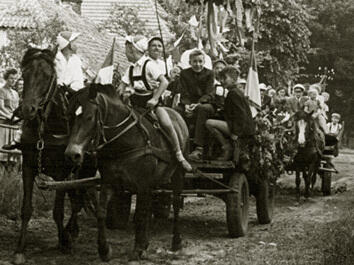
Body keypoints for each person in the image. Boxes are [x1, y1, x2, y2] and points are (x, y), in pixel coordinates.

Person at [118, 35, 192, 172]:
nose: (126, 52)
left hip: (151, 104)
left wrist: (154, 99)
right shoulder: (130, 69)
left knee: (167, 123)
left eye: (127, 49)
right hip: (134, 105)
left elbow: (164, 82)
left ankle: (179, 154)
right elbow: (121, 87)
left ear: (134, 50)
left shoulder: (149, 65)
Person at [205, 66, 255, 160]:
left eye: (224, 78)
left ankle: (226, 147)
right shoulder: (235, 92)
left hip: (242, 129)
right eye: (220, 79)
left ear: (233, 79)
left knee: (209, 123)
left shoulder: (233, 93)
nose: (222, 81)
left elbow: (241, 115)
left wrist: (236, 133)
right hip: (240, 126)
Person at [178, 49, 215, 161]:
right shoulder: (184, 74)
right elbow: (183, 92)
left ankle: (199, 148)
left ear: (204, 62)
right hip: (188, 103)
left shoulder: (209, 73)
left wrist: (198, 104)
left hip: (204, 103)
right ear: (190, 62)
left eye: (200, 61)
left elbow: (209, 93)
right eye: (195, 61)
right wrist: (186, 105)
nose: (197, 64)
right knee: (176, 111)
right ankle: (179, 145)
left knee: (203, 109)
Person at [0, 69, 20, 157]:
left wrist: (16, 117)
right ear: (6, 78)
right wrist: (10, 116)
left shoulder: (15, 93)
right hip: (4, 119)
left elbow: (16, 108)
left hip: (14, 121)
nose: (13, 81)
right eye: (11, 78)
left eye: (15, 79)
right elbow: (1, 107)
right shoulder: (1, 90)